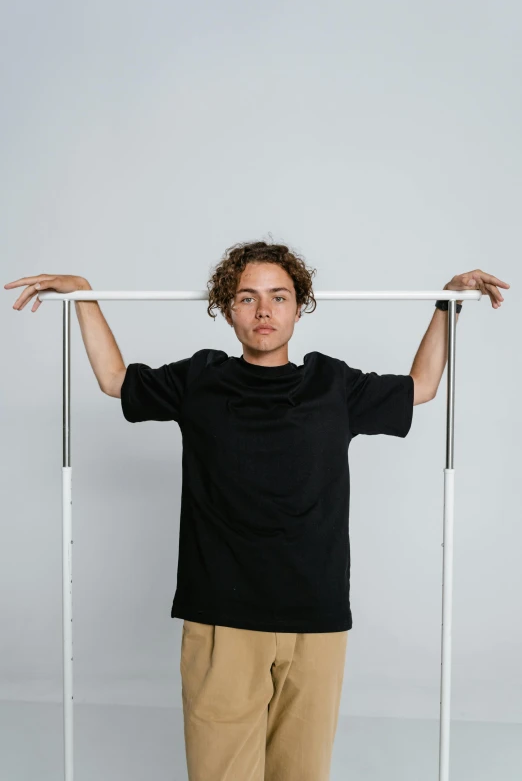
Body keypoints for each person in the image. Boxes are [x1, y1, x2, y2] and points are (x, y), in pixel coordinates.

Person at [5, 242, 509, 781]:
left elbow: (423, 386)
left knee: (302, 774)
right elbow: (115, 380)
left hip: (315, 620)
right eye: (248, 298)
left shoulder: (332, 383)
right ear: (227, 309)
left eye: (278, 297)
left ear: (299, 307)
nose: (264, 311)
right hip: (223, 615)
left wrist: (447, 303)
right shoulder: (200, 379)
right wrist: (84, 294)